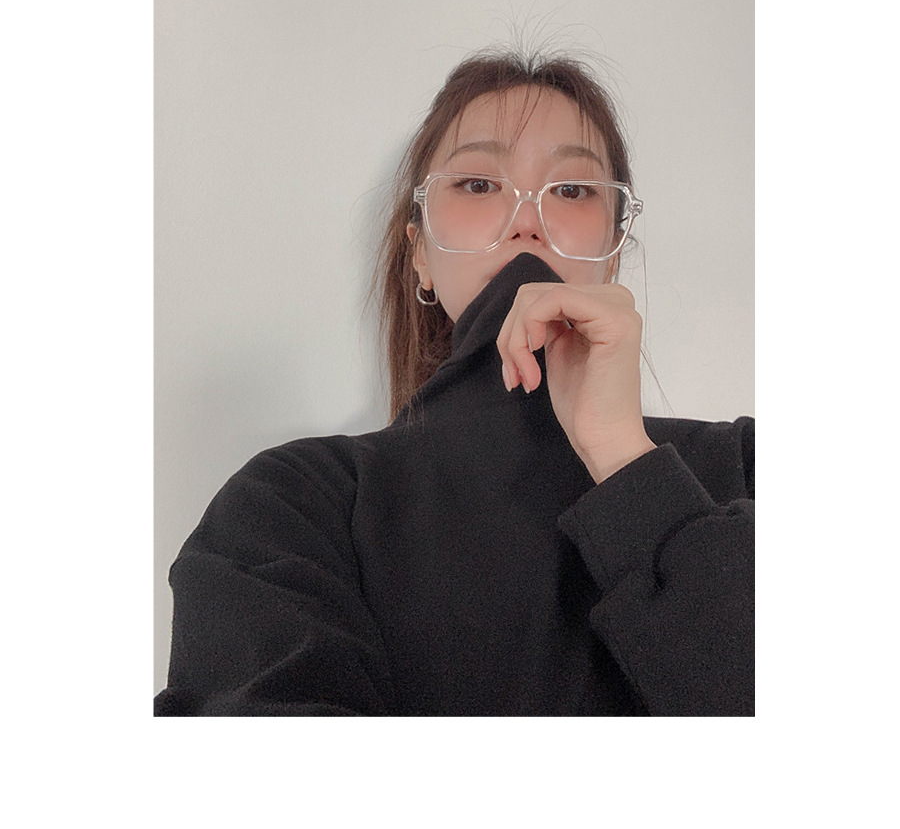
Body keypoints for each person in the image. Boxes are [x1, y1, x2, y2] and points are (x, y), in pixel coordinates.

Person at [154, 50, 754, 716]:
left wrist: (623, 458)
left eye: (572, 190)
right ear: (420, 253)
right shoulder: (292, 503)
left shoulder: (742, 470)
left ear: (612, 254)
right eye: (476, 184)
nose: (527, 222)